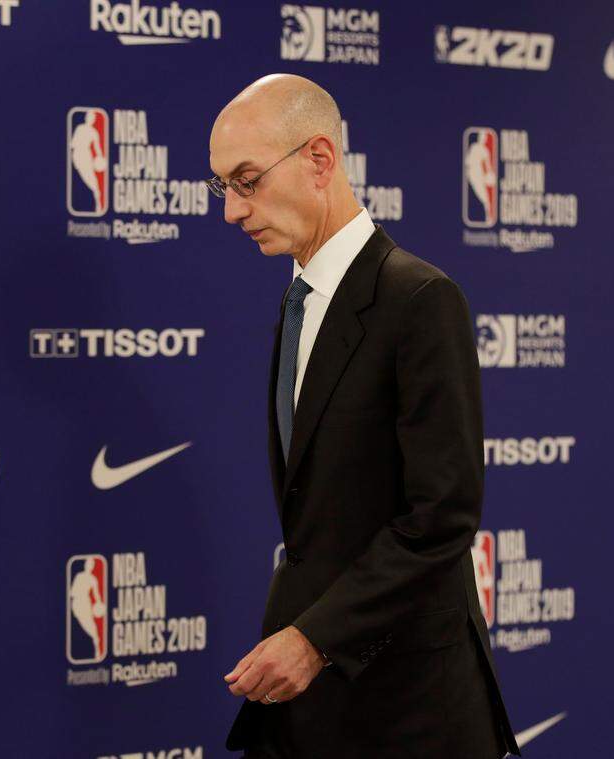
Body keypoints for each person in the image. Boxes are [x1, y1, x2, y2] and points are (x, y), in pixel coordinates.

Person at [207, 73, 520, 758]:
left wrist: (317, 637)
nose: (231, 210)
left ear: (319, 160)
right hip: (317, 702)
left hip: (409, 704)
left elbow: (441, 516)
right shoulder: (299, 303)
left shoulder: (419, 299)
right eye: (222, 186)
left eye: (247, 179)